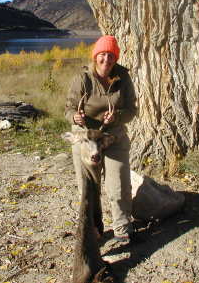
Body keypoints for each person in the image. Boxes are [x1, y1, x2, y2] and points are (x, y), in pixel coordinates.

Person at [65, 35, 138, 243]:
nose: (106, 60)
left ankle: (122, 227)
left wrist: (117, 117)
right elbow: (68, 107)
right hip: (86, 138)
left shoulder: (123, 78)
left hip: (112, 137)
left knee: (118, 185)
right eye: (102, 55)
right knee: (88, 187)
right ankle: (93, 228)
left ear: (116, 59)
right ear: (96, 56)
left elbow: (132, 110)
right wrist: (74, 116)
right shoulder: (82, 78)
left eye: (111, 56)